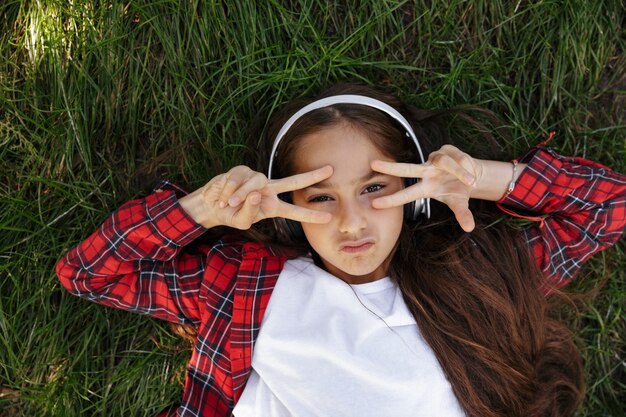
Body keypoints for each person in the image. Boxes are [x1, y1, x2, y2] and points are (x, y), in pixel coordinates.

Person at [56, 83, 626, 417]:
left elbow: (610, 207)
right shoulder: (246, 286)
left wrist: (480, 178)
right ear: (285, 205)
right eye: (320, 196)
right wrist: (204, 210)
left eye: (374, 188)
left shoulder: (478, 280)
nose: (352, 222)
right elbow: (89, 274)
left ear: (413, 191)